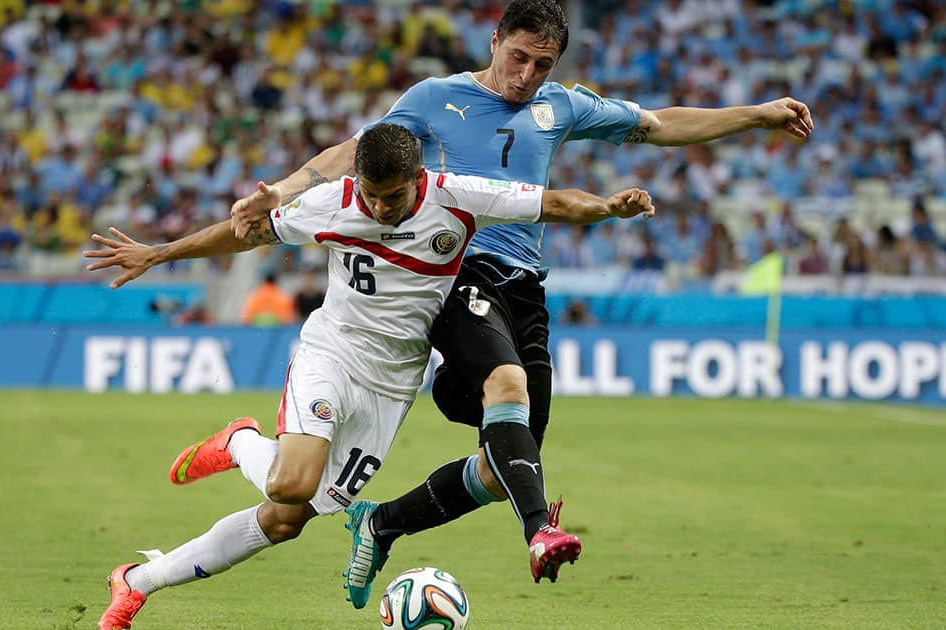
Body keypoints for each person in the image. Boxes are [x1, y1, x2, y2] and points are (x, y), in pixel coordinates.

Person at [228, 0, 814, 607]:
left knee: (507, 461)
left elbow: (659, 125)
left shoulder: (561, 105)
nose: (527, 74)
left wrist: (757, 116)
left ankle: (382, 523)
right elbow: (357, 151)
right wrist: (285, 188)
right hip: (459, 272)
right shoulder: (435, 97)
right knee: (507, 386)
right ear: (494, 42)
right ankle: (540, 531)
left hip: (525, 289)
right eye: (519, 57)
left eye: (542, 63)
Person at [86, 123, 655, 629]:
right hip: (332, 354)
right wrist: (160, 253)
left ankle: (137, 582)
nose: (381, 208)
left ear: (418, 179)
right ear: (358, 179)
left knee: (287, 521)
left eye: (394, 197)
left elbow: (555, 202)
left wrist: (608, 207)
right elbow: (245, 235)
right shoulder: (331, 202)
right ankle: (240, 443)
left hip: (391, 384)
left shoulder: (459, 196)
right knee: (292, 485)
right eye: (373, 196)